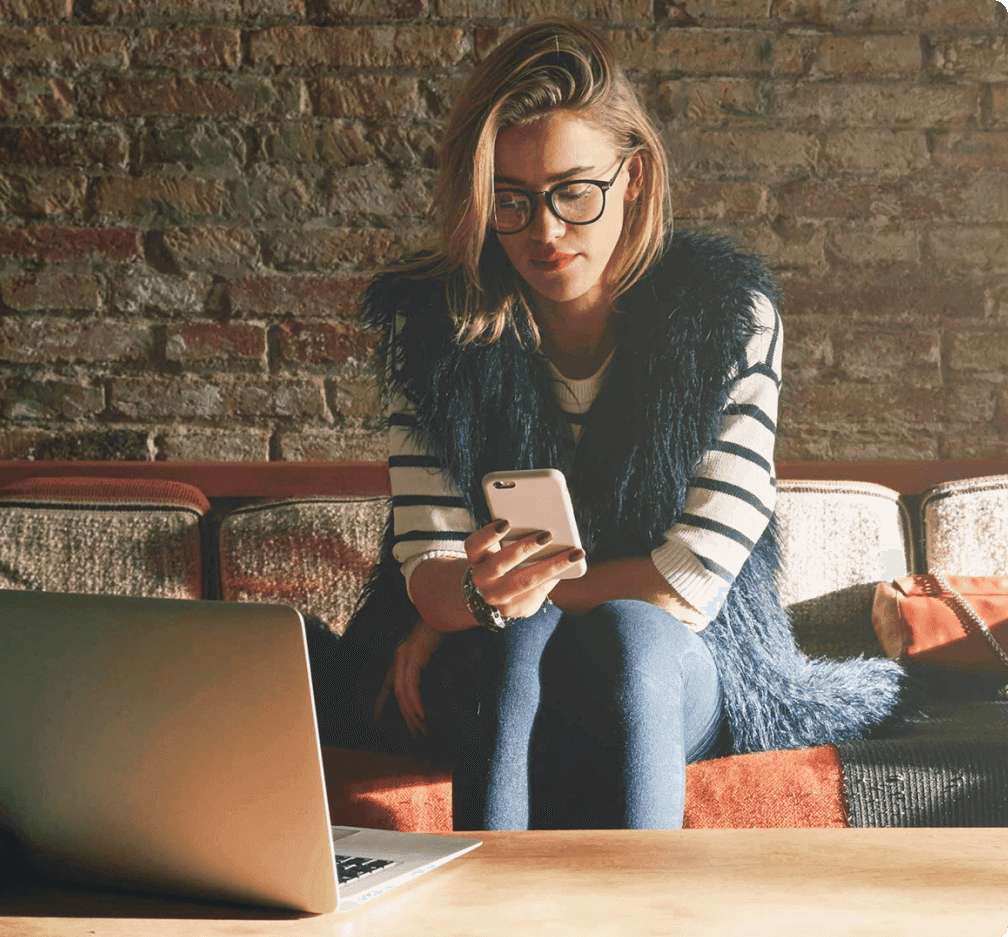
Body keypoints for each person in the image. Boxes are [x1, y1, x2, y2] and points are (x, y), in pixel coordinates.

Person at [331, 18, 908, 830]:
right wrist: (462, 601)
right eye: (511, 200)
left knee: (628, 640)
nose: (545, 230)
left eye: (574, 191)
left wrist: (482, 605)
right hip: (484, 654)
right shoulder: (439, 332)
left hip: (682, 657)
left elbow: (686, 581)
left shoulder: (727, 318)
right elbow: (426, 557)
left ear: (632, 178)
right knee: (515, 648)